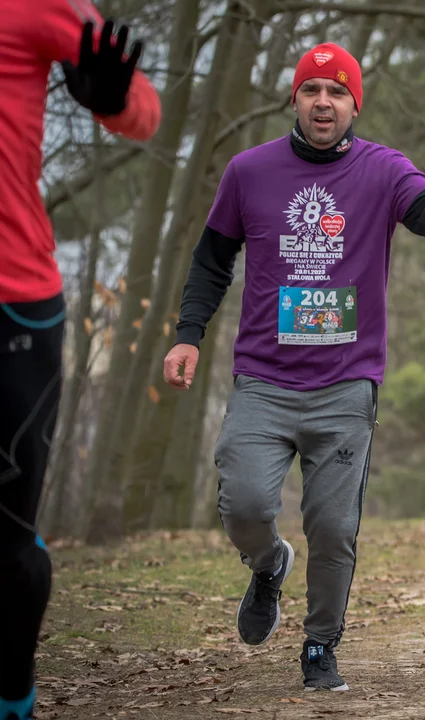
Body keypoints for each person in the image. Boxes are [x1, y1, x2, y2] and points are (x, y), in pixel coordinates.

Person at [162, 43, 425, 692]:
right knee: (246, 504)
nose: (323, 102)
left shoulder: (383, 172)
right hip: (263, 380)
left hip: (345, 385)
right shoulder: (248, 172)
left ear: (354, 106)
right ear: (294, 100)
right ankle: (267, 564)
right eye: (312, 90)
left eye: (337, 93)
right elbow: (210, 259)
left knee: (334, 527)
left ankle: (319, 645)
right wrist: (188, 335)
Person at [0, 4, 161, 717]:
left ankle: (13, 696)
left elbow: (147, 113)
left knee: (5, 542)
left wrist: (113, 98)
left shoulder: (30, 7)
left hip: (12, 297)